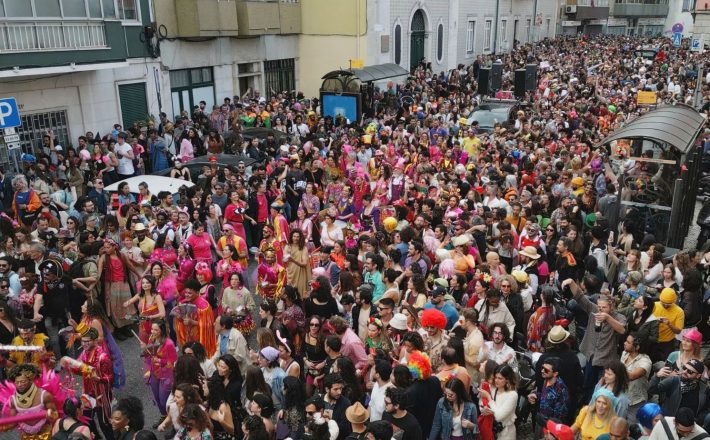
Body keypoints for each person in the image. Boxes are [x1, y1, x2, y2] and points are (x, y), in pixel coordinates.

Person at [60, 327, 114, 440]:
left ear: (95, 340)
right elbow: (80, 370)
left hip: (101, 395)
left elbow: (109, 379)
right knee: (86, 420)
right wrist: (68, 366)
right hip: (88, 393)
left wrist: (98, 378)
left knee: (104, 423)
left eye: (87, 341)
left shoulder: (103, 357)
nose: (84, 343)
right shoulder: (84, 353)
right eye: (82, 341)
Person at [0, 363, 58, 440]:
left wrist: (51, 415)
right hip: (25, 437)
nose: (19, 385)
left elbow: (55, 415)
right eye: (17, 382)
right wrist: (3, 427)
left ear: (31, 380)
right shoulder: (13, 400)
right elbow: (13, 422)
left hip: (46, 436)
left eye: (23, 382)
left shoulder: (45, 396)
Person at [649, 358, 710, 423]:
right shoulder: (674, 380)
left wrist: (697, 420)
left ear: (698, 376)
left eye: (690, 372)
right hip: (669, 423)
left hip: (689, 427)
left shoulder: (704, 389)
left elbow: (707, 409)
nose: (684, 372)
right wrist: (657, 376)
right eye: (684, 368)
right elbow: (652, 390)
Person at [139, 319, 177, 417]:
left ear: (162, 330)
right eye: (152, 329)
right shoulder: (151, 338)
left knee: (164, 400)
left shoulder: (169, 344)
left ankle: (171, 418)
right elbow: (149, 355)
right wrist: (145, 348)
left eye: (156, 330)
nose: (153, 332)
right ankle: (164, 416)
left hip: (166, 376)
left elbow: (172, 362)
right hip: (154, 373)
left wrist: (159, 361)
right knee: (157, 398)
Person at [174, 279, 216, 358]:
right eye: (185, 292)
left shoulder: (204, 306)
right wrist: (179, 318)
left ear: (197, 292)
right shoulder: (183, 302)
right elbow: (182, 321)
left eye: (190, 293)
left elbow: (209, 325)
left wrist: (192, 322)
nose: (186, 295)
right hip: (188, 338)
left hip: (200, 340)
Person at [529, 357, 569, 428]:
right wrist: (534, 395)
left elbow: (559, 416)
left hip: (550, 427)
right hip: (541, 421)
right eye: (542, 368)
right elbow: (545, 396)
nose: (542, 371)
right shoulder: (545, 380)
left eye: (546, 370)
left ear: (555, 374)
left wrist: (549, 430)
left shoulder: (561, 389)